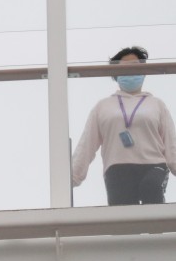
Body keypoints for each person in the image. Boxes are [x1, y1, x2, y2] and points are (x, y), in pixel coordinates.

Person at [72, 45, 176, 205]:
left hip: (153, 165)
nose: (131, 72)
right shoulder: (103, 106)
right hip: (118, 167)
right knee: (124, 217)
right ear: (116, 74)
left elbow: (171, 142)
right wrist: (72, 176)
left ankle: (155, 230)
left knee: (151, 189)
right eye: (125, 68)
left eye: (135, 67)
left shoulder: (156, 104)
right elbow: (87, 143)